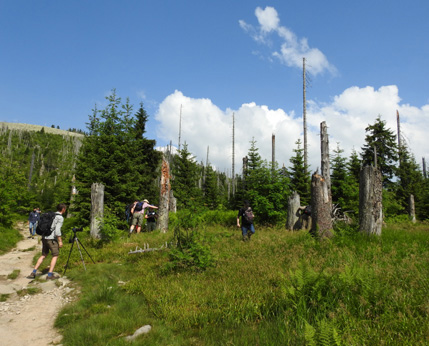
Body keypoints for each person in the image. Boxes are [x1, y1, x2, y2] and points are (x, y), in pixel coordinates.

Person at [27, 203, 66, 280]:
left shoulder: (52, 215)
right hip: (51, 239)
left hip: (44, 237)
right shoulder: (60, 218)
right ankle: (50, 275)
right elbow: (57, 231)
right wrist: (60, 241)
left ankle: (33, 272)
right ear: (63, 209)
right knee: (55, 255)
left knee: (44, 254)